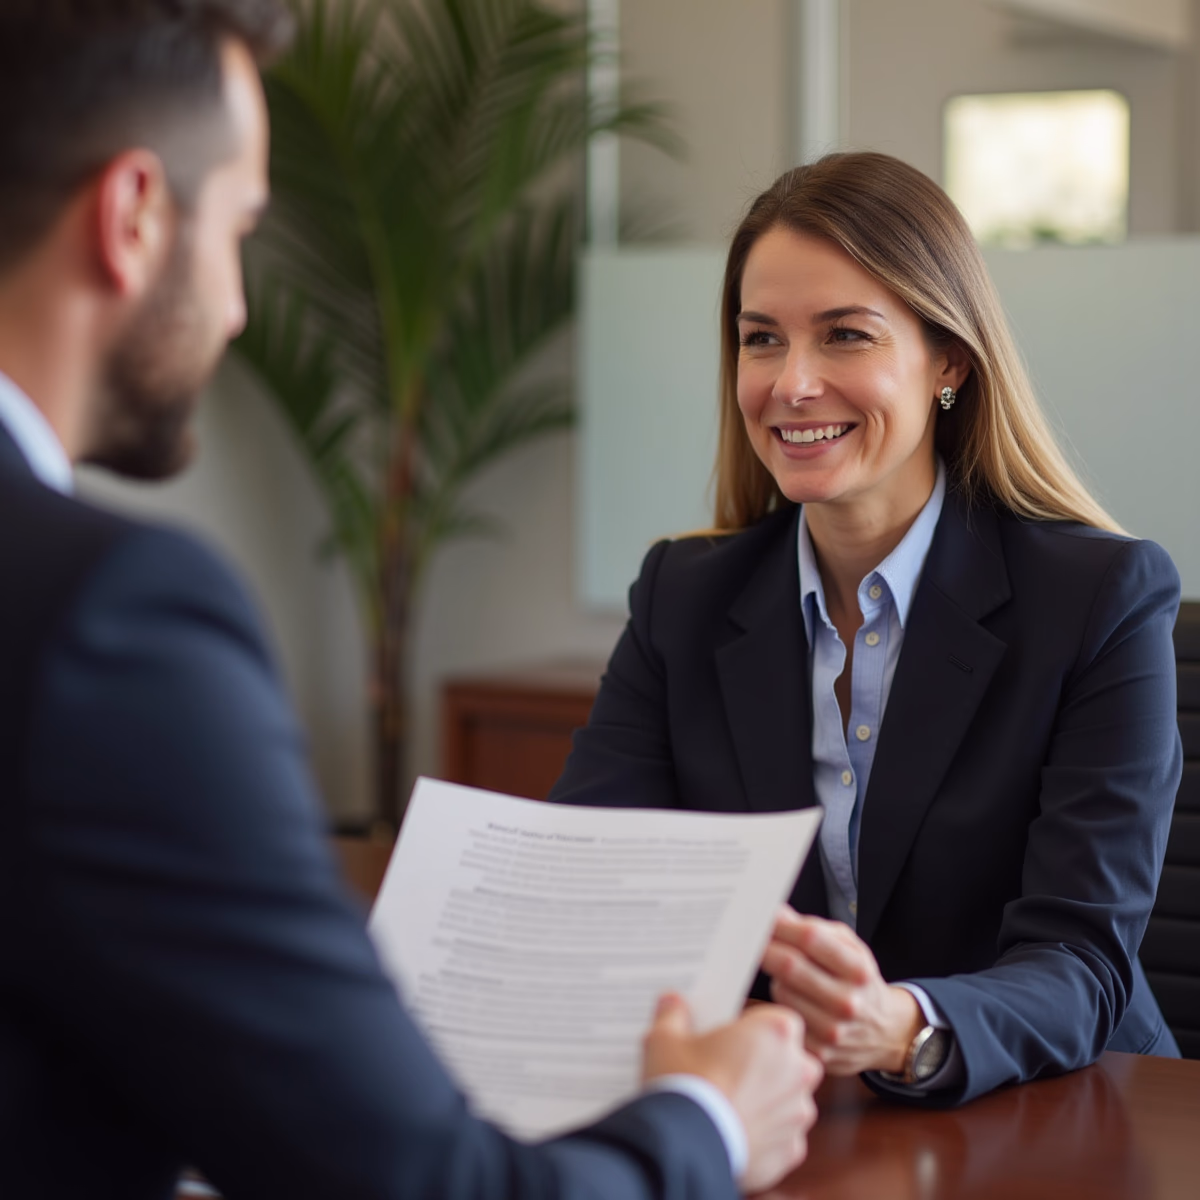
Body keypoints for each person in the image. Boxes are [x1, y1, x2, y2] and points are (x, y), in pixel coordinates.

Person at [0, 3, 822, 1196]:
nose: (236, 308)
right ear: (131, 217)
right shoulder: (108, 616)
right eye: (239, 230)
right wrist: (711, 1118)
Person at [550, 152, 1182, 1106]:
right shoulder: (682, 597)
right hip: (794, 1113)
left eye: (844, 336)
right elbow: (599, 882)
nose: (792, 383)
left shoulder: (1100, 598)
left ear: (948, 363)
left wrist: (904, 1028)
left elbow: (1080, 961)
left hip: (1051, 1109)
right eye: (761, 339)